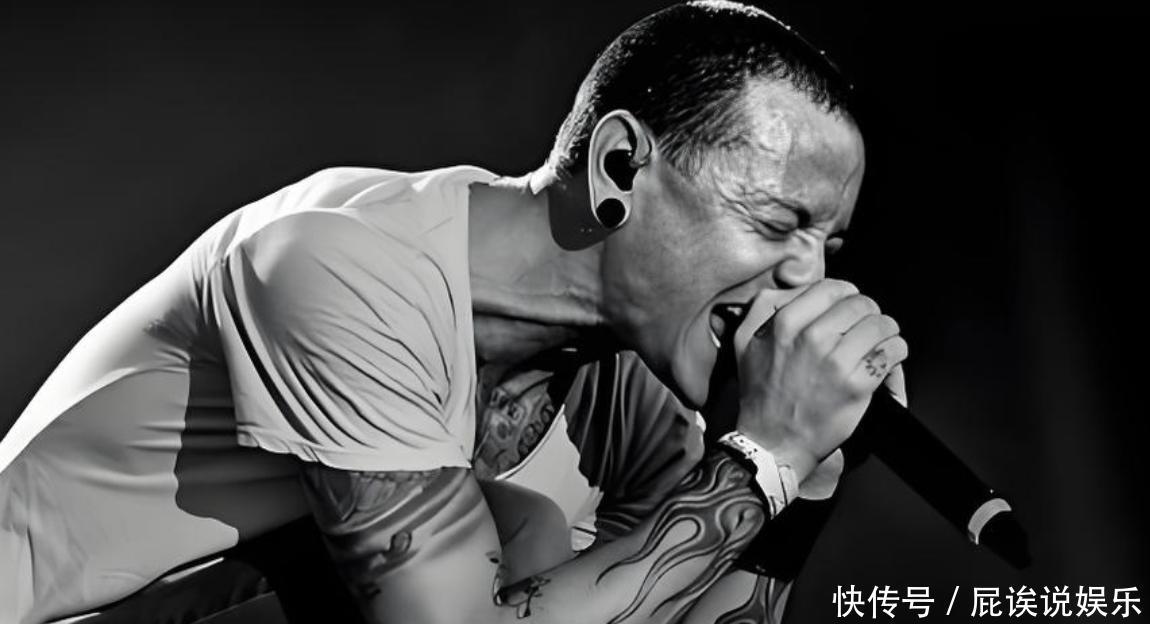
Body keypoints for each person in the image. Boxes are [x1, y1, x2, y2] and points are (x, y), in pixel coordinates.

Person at [0, 2, 907, 623]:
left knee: (537, 541)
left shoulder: (636, 390)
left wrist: (805, 479)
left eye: (827, 246)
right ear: (620, 168)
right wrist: (765, 459)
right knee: (523, 533)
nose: (808, 279)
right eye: (776, 224)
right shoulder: (341, 266)